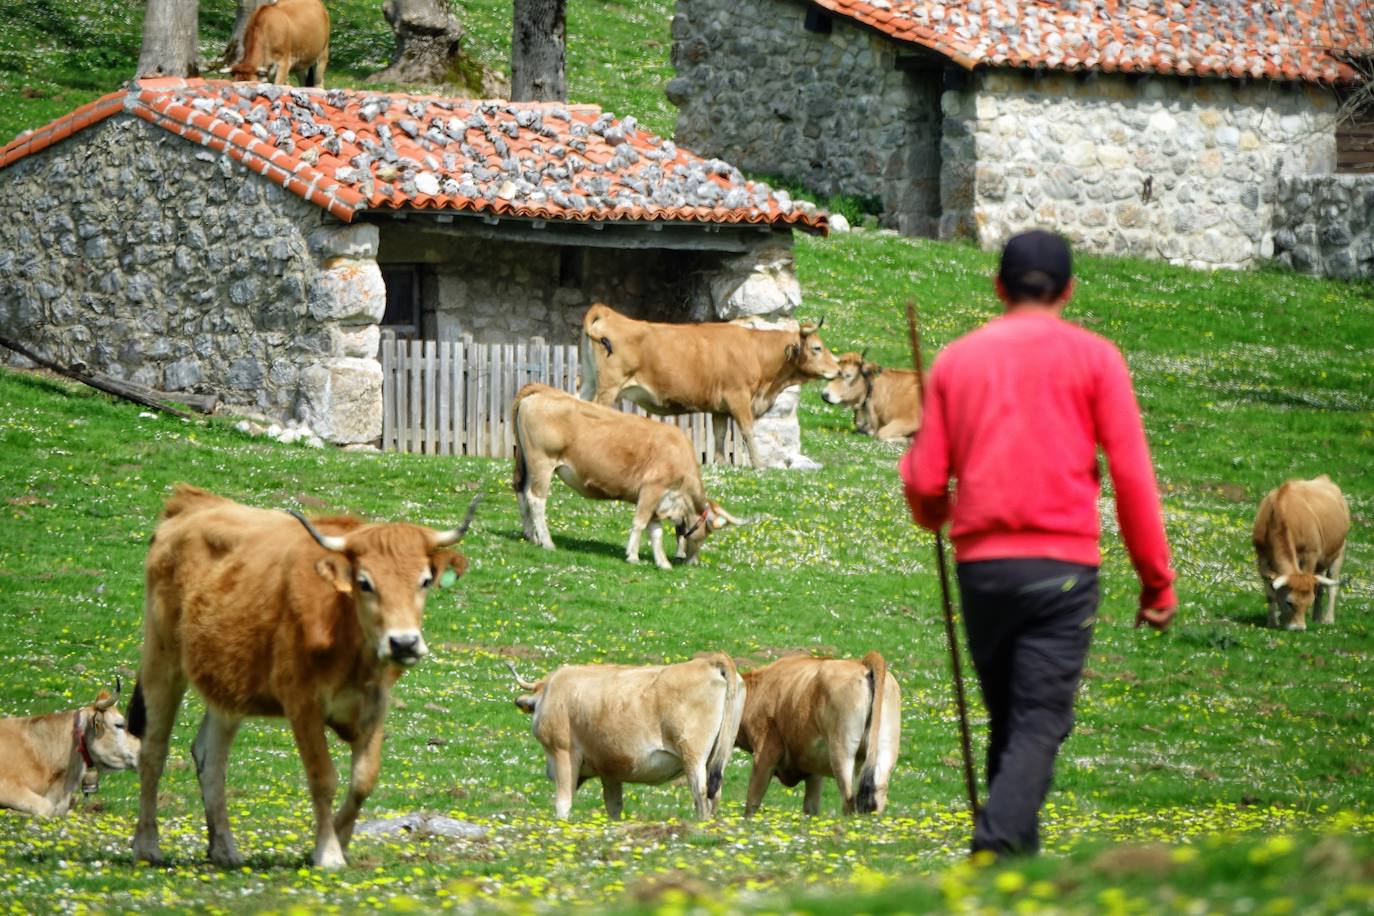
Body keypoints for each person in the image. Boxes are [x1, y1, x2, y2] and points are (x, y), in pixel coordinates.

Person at [899, 228, 1177, 857]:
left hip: (984, 572)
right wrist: (1155, 581)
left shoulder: (958, 361)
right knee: (1039, 721)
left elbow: (921, 476)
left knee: (1013, 723)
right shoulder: (1097, 360)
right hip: (1063, 572)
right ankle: (995, 846)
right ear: (1069, 291)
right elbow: (1132, 476)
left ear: (998, 287)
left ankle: (1013, 873)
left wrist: (934, 512)